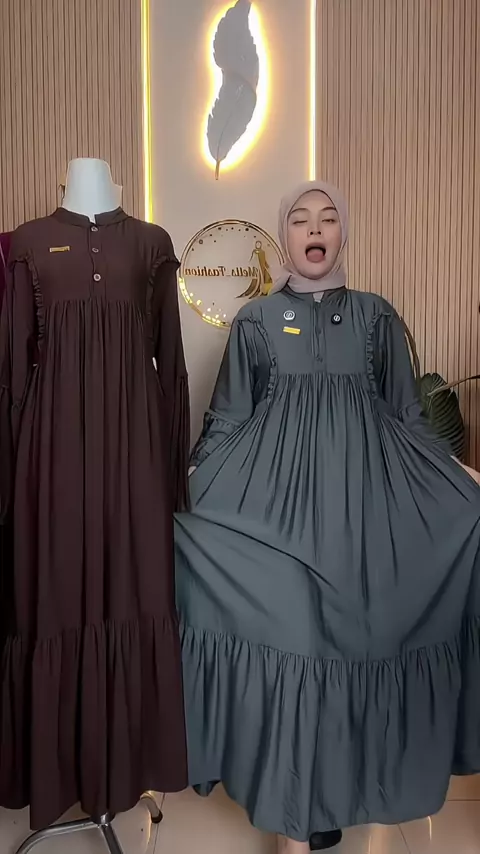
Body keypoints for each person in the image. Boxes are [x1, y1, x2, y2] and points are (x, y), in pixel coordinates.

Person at [175, 181, 480, 853]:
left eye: (329, 217)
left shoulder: (376, 317)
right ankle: (296, 818)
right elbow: (229, 418)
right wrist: (191, 481)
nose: (315, 228)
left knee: (369, 641)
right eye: (301, 219)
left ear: (343, 233)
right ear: (285, 236)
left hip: (367, 514)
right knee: (295, 645)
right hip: (276, 519)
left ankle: (360, 802)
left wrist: (456, 475)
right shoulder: (255, 322)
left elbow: (407, 416)